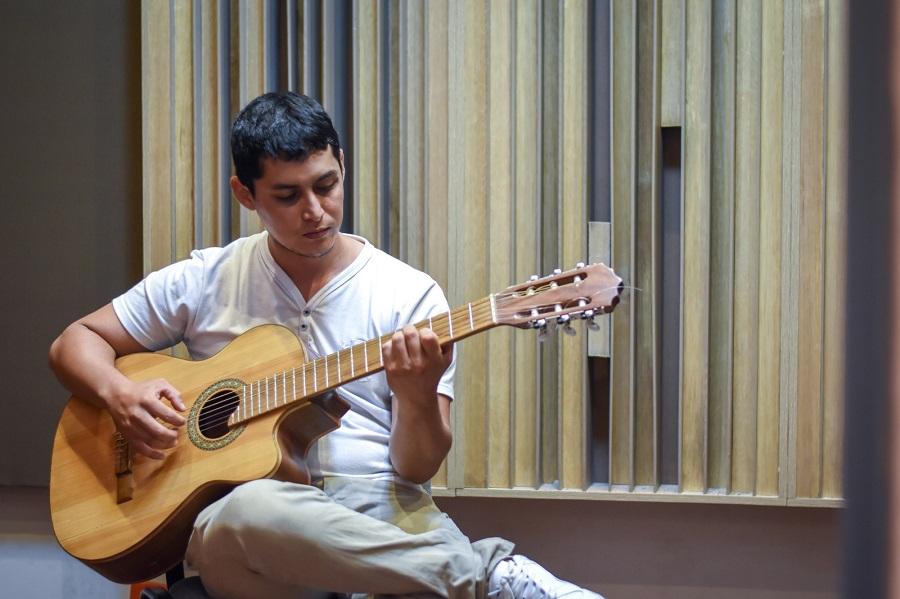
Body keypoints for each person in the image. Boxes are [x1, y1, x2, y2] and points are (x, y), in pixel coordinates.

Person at [49, 91, 604, 599]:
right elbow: (75, 342)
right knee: (248, 512)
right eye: (287, 195)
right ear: (245, 194)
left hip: (380, 514)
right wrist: (120, 394)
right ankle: (485, 577)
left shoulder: (410, 293)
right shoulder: (204, 279)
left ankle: (459, 577)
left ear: (342, 164)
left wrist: (417, 394)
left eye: (326, 185)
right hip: (257, 534)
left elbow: (416, 468)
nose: (315, 211)